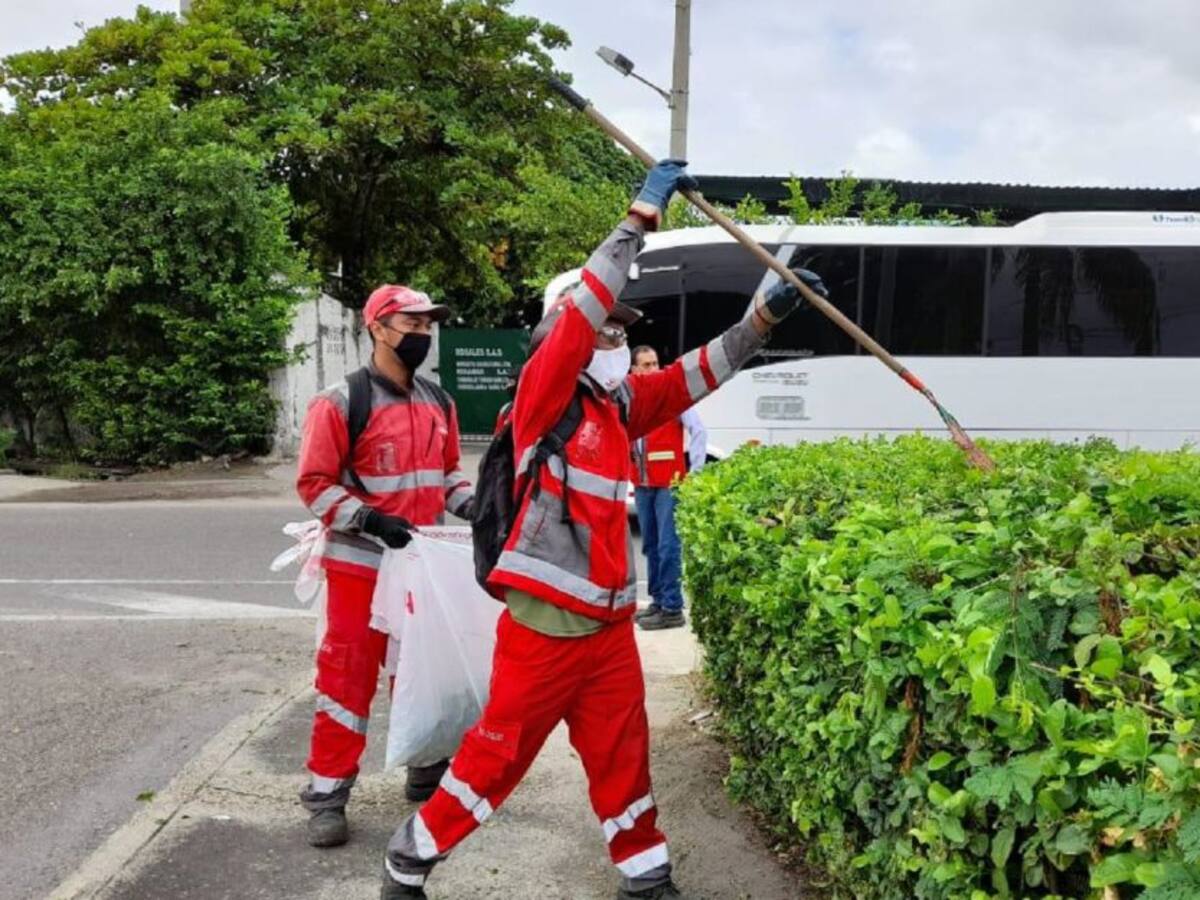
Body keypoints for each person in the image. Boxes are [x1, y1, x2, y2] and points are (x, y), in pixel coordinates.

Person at [380, 159, 827, 899]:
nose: (618, 337)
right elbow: (587, 305)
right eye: (609, 327)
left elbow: (692, 375)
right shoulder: (544, 394)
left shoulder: (618, 407)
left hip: (609, 629)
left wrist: (761, 323)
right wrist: (636, 222)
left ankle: (646, 877)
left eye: (623, 329)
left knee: (625, 759)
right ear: (573, 334)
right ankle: (409, 861)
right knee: (496, 760)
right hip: (546, 633)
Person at [295, 284, 474, 848]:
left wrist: (476, 509)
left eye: (427, 327)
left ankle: (424, 766)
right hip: (359, 568)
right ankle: (327, 796)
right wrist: (370, 521)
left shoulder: (438, 401)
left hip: (417, 567)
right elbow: (314, 486)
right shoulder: (340, 401)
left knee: (421, 671)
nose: (422, 335)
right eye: (411, 325)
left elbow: (449, 477)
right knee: (346, 682)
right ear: (377, 327)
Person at [627, 346, 707, 631]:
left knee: (668, 546)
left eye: (655, 363)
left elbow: (699, 431)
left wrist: (694, 475)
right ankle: (658, 602)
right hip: (644, 484)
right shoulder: (632, 398)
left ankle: (672, 608)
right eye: (646, 365)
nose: (653, 370)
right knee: (650, 546)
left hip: (668, 485)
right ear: (634, 370)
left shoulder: (672, 398)